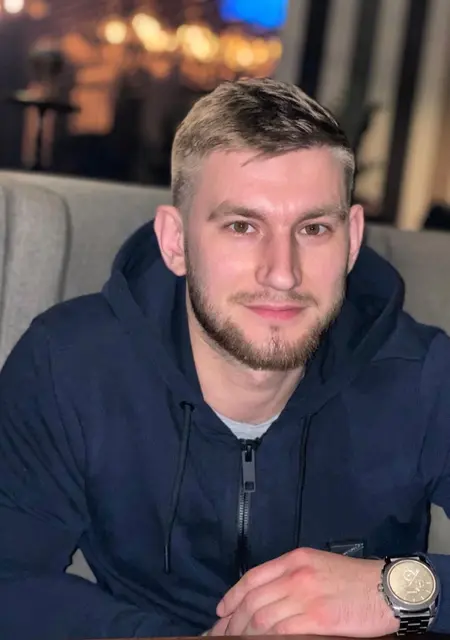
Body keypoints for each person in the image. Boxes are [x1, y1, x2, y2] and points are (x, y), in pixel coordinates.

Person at [0, 78, 450, 640]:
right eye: (242, 226)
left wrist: (399, 591)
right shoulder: (69, 364)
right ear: (175, 242)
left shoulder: (424, 376)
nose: (281, 273)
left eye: (314, 228)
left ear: (352, 239)